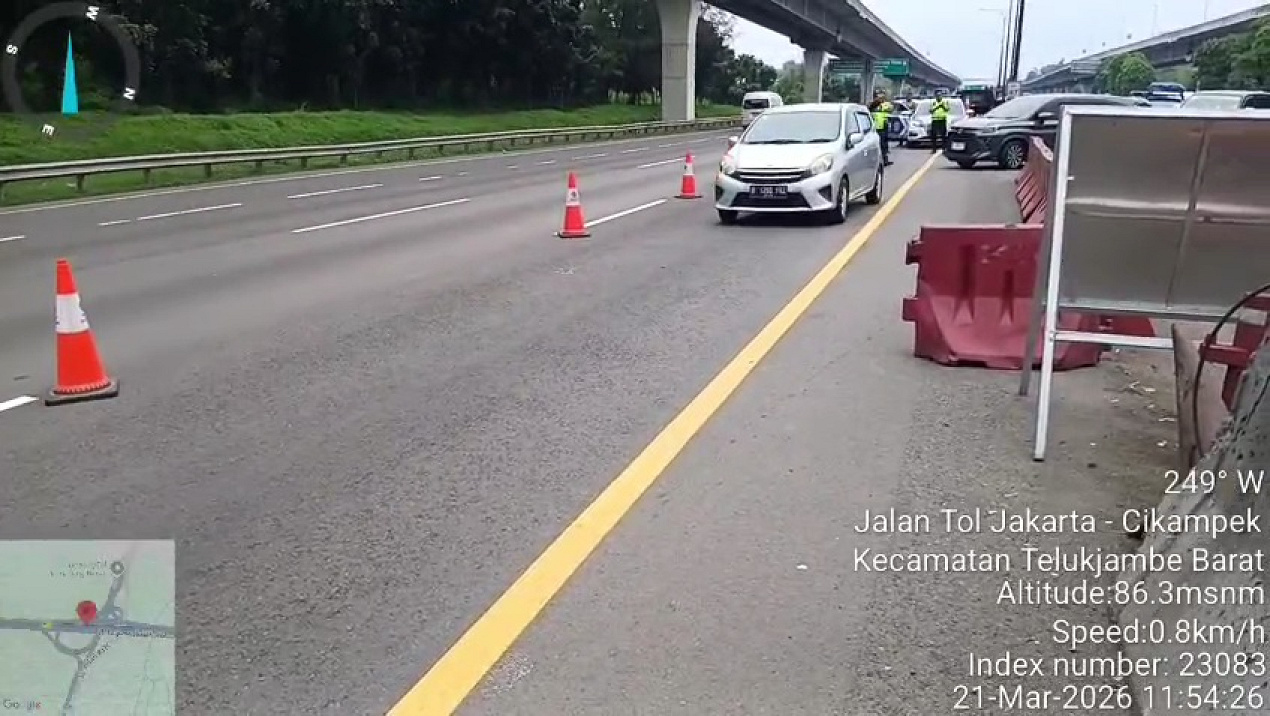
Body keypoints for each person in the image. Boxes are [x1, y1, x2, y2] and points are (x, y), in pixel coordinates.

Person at [868, 89, 894, 166]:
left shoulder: (885, 104)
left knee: (884, 145)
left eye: (882, 94)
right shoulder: (873, 104)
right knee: (879, 145)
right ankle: (879, 161)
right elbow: (870, 108)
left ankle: (885, 160)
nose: (880, 96)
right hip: (877, 128)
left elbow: (891, 108)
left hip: (884, 126)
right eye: (879, 94)